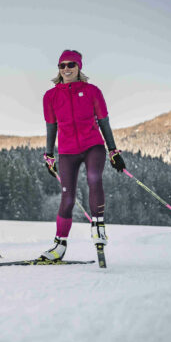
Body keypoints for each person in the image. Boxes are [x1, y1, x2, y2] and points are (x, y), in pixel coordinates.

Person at [41, 50, 126, 261]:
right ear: (58, 69)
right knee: (67, 197)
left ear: (79, 68)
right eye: (62, 65)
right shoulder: (50, 96)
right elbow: (51, 127)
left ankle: (98, 226)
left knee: (94, 178)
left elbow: (104, 122)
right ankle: (59, 245)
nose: (66, 69)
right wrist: (49, 155)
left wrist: (113, 151)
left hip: (93, 146)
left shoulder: (92, 91)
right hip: (67, 151)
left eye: (71, 65)